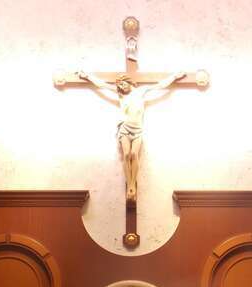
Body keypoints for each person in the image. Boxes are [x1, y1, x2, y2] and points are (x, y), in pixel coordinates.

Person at [78, 70, 186, 201]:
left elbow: (160, 85)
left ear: (129, 82)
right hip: (124, 127)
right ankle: (129, 184)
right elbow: (102, 85)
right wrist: (88, 76)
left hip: (137, 129)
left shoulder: (141, 91)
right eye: (120, 86)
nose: (121, 87)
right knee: (126, 155)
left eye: (123, 84)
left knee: (134, 155)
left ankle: (132, 183)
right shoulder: (121, 95)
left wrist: (174, 76)